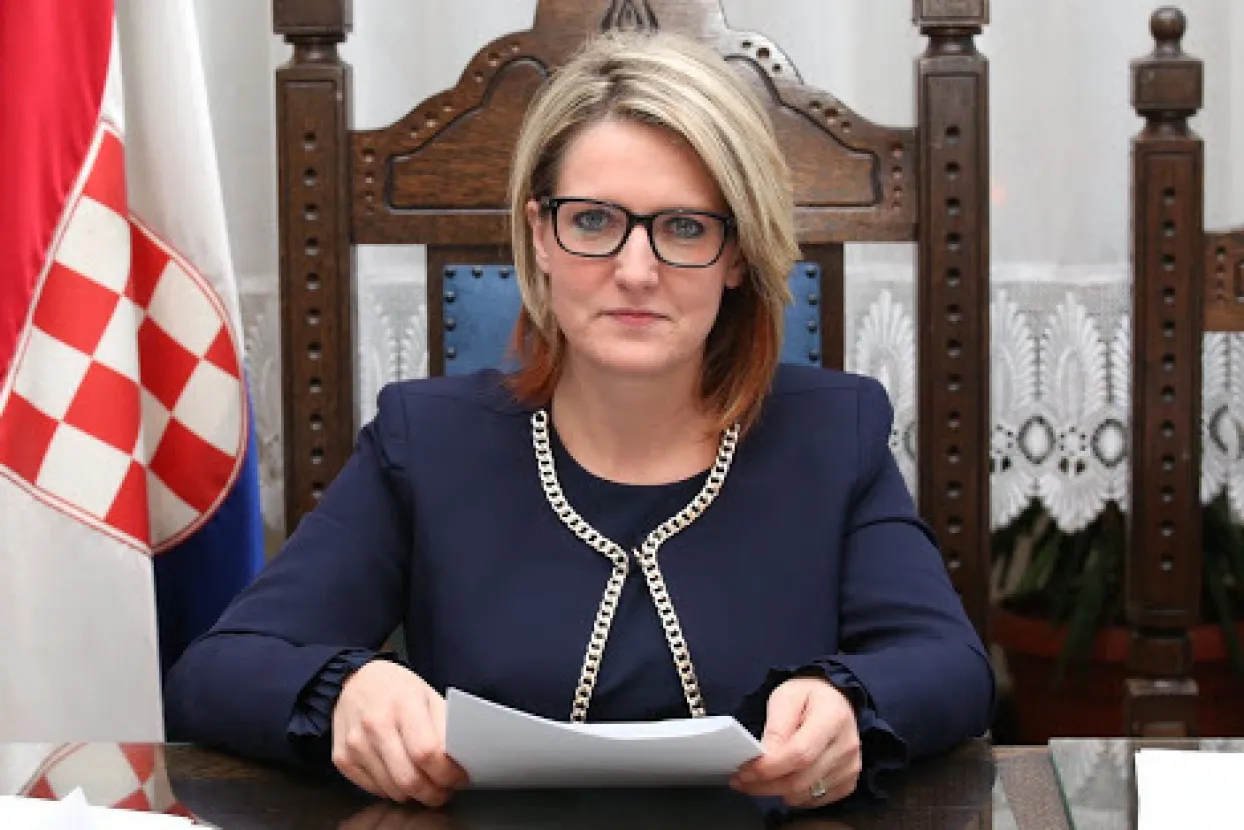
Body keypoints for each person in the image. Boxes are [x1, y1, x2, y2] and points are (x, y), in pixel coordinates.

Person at [164, 29, 994, 812]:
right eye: (593, 220)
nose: (636, 271)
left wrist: (850, 701)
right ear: (541, 236)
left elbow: (951, 667)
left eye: (684, 228)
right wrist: (347, 687)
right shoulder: (428, 442)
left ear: (739, 254)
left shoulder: (834, 433)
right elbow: (218, 671)